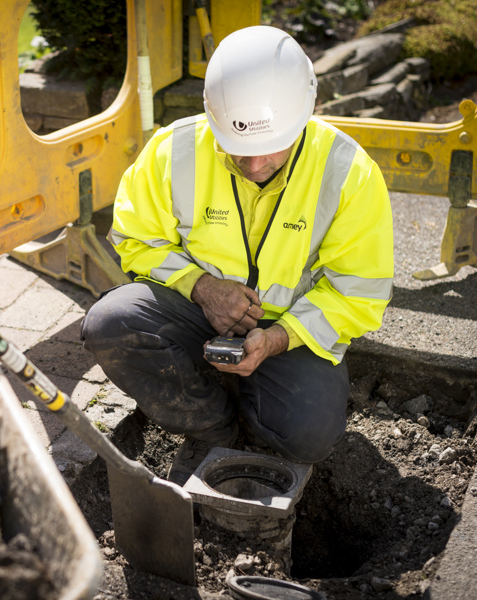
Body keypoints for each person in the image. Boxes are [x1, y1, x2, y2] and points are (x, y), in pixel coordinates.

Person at [81, 25, 394, 486]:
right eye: (238, 147)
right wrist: (202, 287)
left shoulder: (349, 174)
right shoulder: (174, 151)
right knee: (111, 323)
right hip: (194, 310)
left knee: (310, 437)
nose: (253, 165)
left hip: (291, 330)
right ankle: (211, 428)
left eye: (271, 149)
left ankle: (250, 390)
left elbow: (357, 292)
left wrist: (277, 339)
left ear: (307, 113)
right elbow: (135, 238)